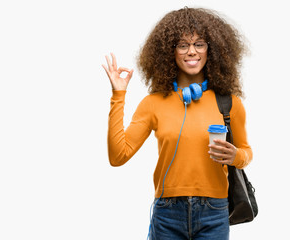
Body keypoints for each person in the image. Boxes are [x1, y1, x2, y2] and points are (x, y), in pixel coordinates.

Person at [102, 7, 253, 240]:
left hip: (214, 212)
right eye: (183, 45)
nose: (192, 51)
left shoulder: (229, 103)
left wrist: (236, 157)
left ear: (211, 50)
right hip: (167, 213)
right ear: (169, 52)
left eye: (199, 44)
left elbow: (246, 152)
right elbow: (118, 156)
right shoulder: (153, 103)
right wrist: (118, 94)